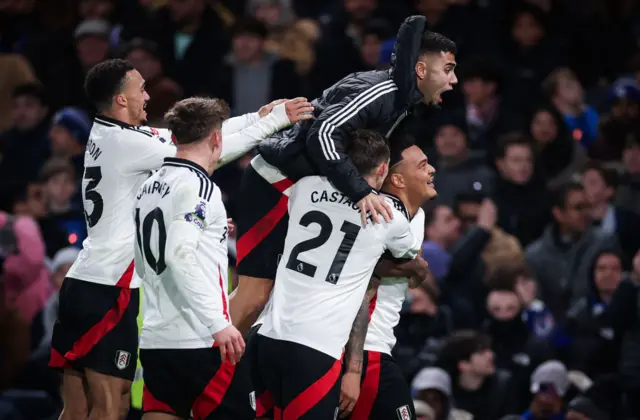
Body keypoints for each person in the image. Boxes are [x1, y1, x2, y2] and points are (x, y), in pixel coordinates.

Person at [48, 58, 311, 420]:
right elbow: (201, 149)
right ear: (121, 99)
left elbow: (195, 136)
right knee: (112, 407)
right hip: (111, 287)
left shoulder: (111, 135)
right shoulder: (135, 146)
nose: (147, 94)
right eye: (139, 88)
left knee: (76, 408)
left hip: (84, 279)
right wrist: (275, 121)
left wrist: (256, 118)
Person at [230, 15, 458, 334]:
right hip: (275, 181)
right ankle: (200, 366)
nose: (454, 80)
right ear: (422, 70)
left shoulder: (405, 105)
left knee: (276, 297)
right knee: (256, 294)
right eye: (448, 69)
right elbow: (323, 133)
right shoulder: (381, 92)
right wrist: (361, 192)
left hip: (306, 190)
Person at [256, 130, 422, 419]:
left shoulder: (306, 186)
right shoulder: (388, 216)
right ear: (383, 169)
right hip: (316, 349)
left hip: (268, 337)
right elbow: (409, 256)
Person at [134, 97, 245, 420]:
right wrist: (219, 324)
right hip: (199, 340)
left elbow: (145, 256)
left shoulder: (148, 186)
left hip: (156, 341)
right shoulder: (200, 186)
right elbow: (179, 254)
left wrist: (211, 228)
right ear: (216, 138)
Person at [342, 134, 437, 420]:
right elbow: (359, 275)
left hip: (379, 347)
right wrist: (353, 369)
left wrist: (412, 268)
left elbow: (411, 271)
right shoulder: (380, 211)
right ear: (397, 180)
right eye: (422, 166)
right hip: (364, 350)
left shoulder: (416, 214)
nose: (432, 170)